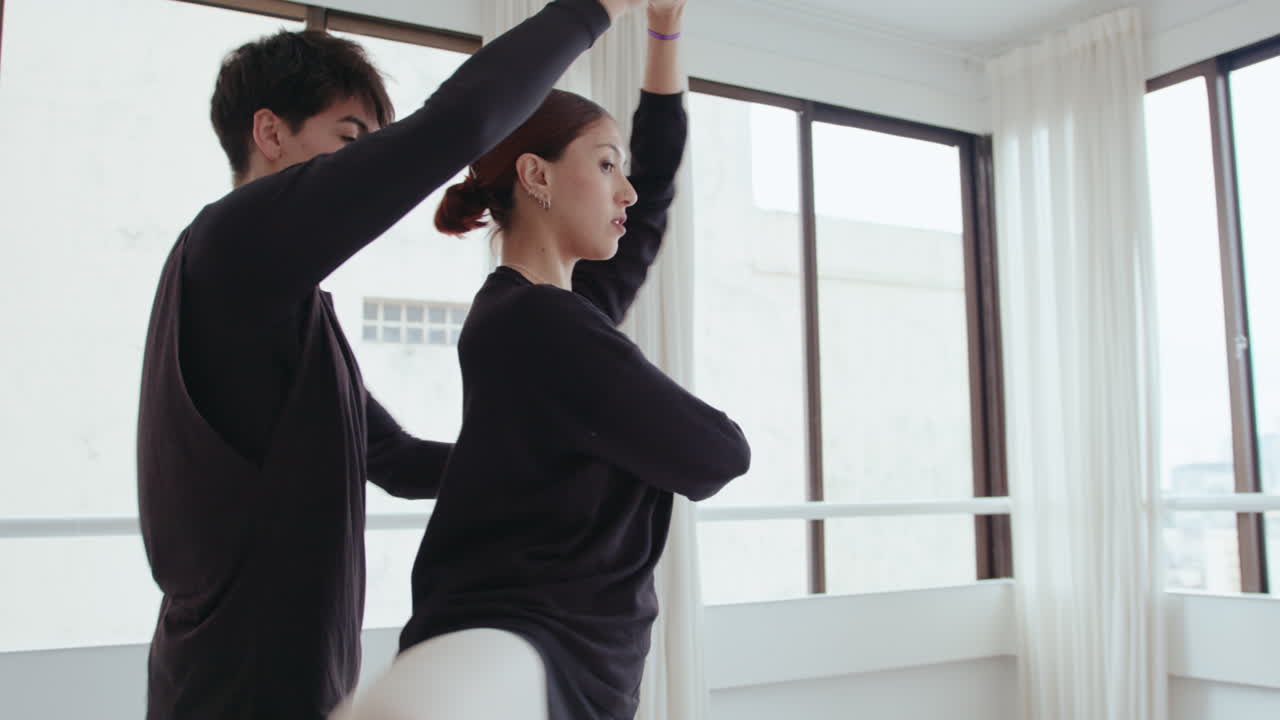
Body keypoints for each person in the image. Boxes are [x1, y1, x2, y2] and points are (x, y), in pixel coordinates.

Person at [134, 2, 646, 718]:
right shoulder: (230, 249)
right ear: (268, 132)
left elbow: (397, 459)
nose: (365, 168)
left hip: (292, 676)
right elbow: (454, 129)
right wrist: (596, 10)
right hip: (235, 687)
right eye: (350, 139)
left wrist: (542, 470)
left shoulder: (289, 307)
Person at [334, 2, 749, 718]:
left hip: (567, 656)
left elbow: (650, 198)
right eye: (606, 165)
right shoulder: (545, 323)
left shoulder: (544, 309)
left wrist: (664, 32)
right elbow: (717, 453)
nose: (626, 188)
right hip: (528, 650)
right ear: (537, 175)